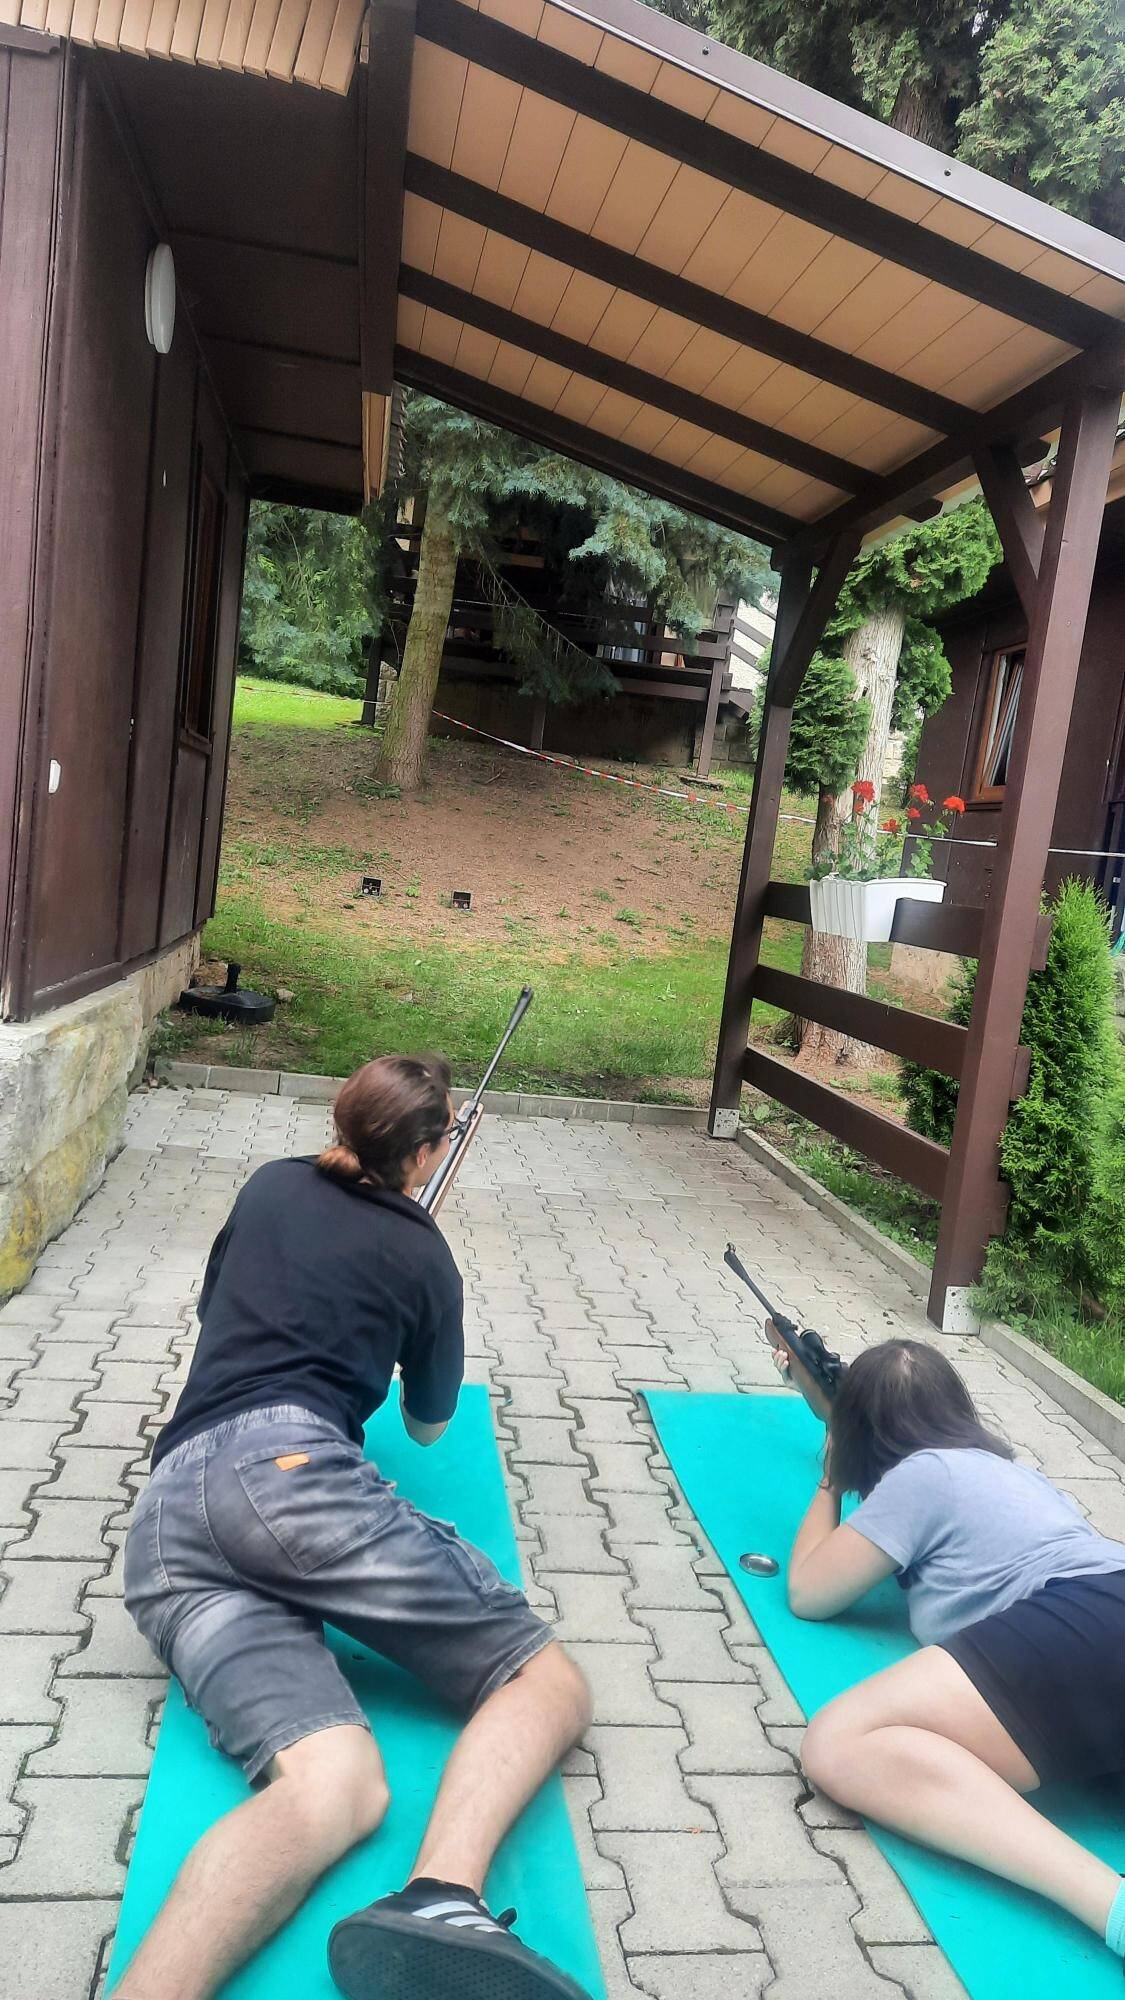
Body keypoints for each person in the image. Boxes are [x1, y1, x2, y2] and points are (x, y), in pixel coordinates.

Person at [120, 1053, 592, 2000]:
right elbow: (427, 1424)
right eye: (443, 1136)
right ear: (423, 1152)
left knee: (337, 1786)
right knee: (545, 1680)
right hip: (284, 1480)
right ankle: (442, 1895)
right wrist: (412, 1290)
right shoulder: (423, 1253)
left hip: (167, 1527)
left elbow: (221, 1309)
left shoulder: (270, 1182)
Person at [773, 1334, 1125, 1973]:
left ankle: (1109, 1904)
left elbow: (810, 1591)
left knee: (839, 1742)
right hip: (1107, 1598)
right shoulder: (1012, 1472)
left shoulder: (923, 1473)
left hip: (1085, 1619)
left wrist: (832, 1473)